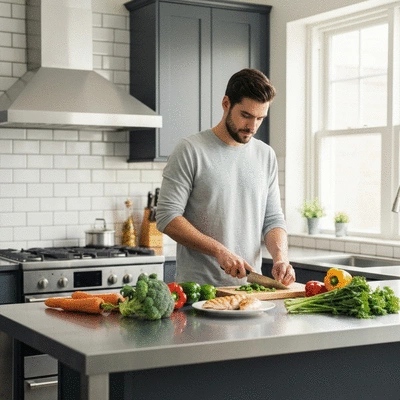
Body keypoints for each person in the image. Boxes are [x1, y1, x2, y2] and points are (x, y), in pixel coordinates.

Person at [156, 68, 295, 287]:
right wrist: (219, 250)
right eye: (246, 116)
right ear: (226, 104)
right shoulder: (191, 150)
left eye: (260, 118)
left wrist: (281, 257)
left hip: (250, 292)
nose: (252, 127)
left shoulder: (265, 155)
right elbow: (167, 217)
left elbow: (273, 218)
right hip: (199, 292)